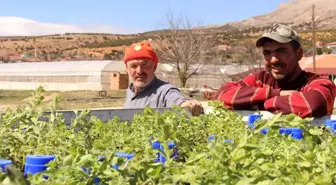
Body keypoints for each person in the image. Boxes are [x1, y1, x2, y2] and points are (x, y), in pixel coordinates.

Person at [204, 23, 336, 118]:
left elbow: (313, 103)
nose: (273, 59)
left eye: (281, 51)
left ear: (299, 54)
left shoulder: (317, 81)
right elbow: (222, 94)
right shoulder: (259, 79)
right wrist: (276, 94)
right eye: (267, 52)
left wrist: (256, 103)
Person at [123, 41, 203, 116]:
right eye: (133, 66)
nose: (139, 71)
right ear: (127, 69)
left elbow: (177, 100)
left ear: (154, 67)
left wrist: (188, 105)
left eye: (144, 64)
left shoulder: (165, 91)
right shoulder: (131, 90)